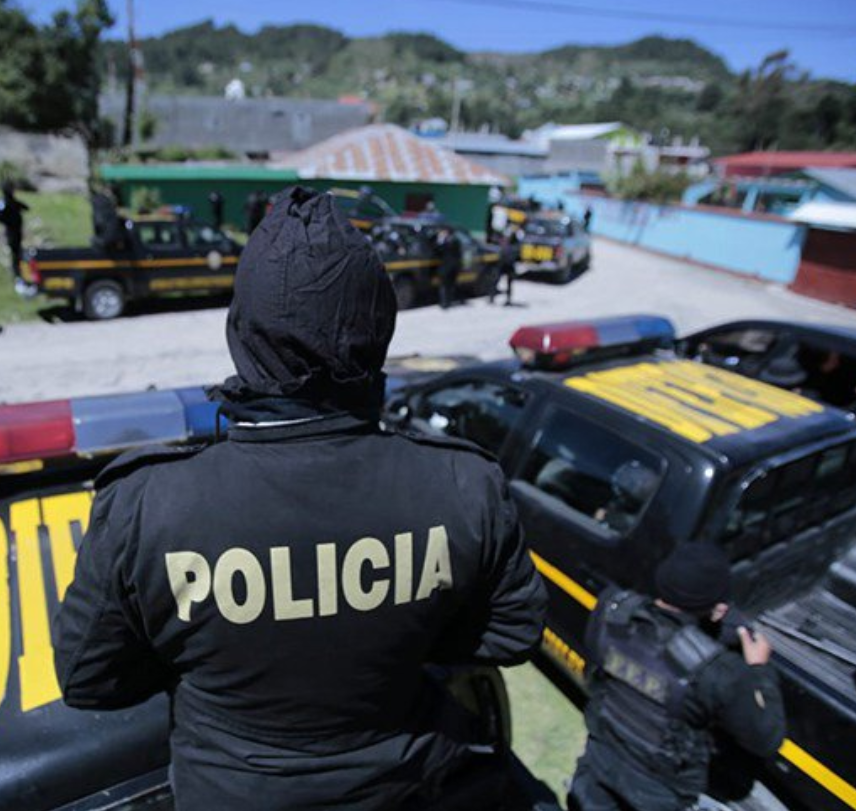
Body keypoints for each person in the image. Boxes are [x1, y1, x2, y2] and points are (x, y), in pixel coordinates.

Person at [54, 186, 547, 811]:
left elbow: (90, 681)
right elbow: (513, 635)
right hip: (401, 788)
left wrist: (213, 672)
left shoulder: (148, 504)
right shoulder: (461, 483)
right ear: (379, 329)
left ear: (244, 332)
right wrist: (394, 644)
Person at [569, 544, 786, 811]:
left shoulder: (612, 611)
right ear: (718, 608)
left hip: (599, 763)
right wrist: (759, 669)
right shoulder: (716, 670)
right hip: (658, 792)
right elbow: (766, 739)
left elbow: (596, 669)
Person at [0, 180, 30, 292]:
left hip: (16, 232)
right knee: (15, 255)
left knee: (18, 254)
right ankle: (17, 275)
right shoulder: (3, 203)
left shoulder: (12, 202)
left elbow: (25, 207)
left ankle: (20, 273)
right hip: (11, 233)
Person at [434, 226, 463, 309]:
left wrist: (439, 240)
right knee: (450, 285)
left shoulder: (445, 242)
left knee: (444, 285)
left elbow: (438, 251)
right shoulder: (456, 241)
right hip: (454, 267)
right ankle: (449, 301)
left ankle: (444, 303)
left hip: (446, 267)